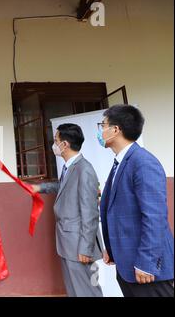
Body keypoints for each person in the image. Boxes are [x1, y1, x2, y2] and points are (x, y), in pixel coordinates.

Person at [98, 104, 174, 297]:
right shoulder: (121, 162)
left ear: (115, 130)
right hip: (128, 264)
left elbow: (154, 216)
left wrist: (147, 263)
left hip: (146, 269)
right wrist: (111, 248)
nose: (100, 131)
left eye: (103, 125)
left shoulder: (143, 162)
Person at [30, 123, 103, 297]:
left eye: (56, 140)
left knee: (86, 290)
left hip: (79, 245)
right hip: (68, 242)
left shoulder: (84, 169)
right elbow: (64, 187)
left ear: (65, 144)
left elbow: (90, 213)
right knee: (74, 290)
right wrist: (40, 188)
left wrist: (86, 248)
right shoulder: (70, 167)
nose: (53, 144)